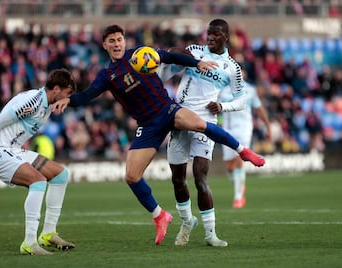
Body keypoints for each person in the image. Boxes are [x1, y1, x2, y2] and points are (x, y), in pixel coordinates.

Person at [52, 24, 265, 246]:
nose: (116, 44)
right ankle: (160, 216)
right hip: (148, 125)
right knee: (132, 176)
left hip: (168, 110)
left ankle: (243, 151)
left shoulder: (142, 53)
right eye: (112, 41)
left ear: (124, 41)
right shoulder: (107, 75)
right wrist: (69, 100)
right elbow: (87, 95)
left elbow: (170, 56)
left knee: (200, 125)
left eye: (119, 40)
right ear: (105, 45)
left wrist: (197, 63)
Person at [157, 19, 248, 247]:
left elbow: (242, 100)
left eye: (216, 34)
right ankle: (187, 222)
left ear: (226, 37)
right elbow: (173, 55)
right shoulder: (196, 51)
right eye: (209, 33)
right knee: (178, 179)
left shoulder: (232, 68)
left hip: (205, 122)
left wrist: (223, 107)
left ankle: (211, 234)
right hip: (179, 118)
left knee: (200, 177)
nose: (210, 37)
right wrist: (186, 58)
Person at [0, 69, 77, 255]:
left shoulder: (48, 104)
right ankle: (29, 243)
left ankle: (48, 234)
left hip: (13, 149)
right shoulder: (33, 102)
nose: (67, 98)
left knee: (60, 175)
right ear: (56, 89)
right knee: (38, 181)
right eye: (67, 93)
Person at [218, 66, 271, 208]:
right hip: (227, 130)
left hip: (244, 128)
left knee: (238, 159)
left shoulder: (250, 90)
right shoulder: (222, 90)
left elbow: (259, 109)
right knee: (229, 166)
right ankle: (239, 184)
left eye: (240, 71)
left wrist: (268, 126)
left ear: (244, 73)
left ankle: (238, 197)